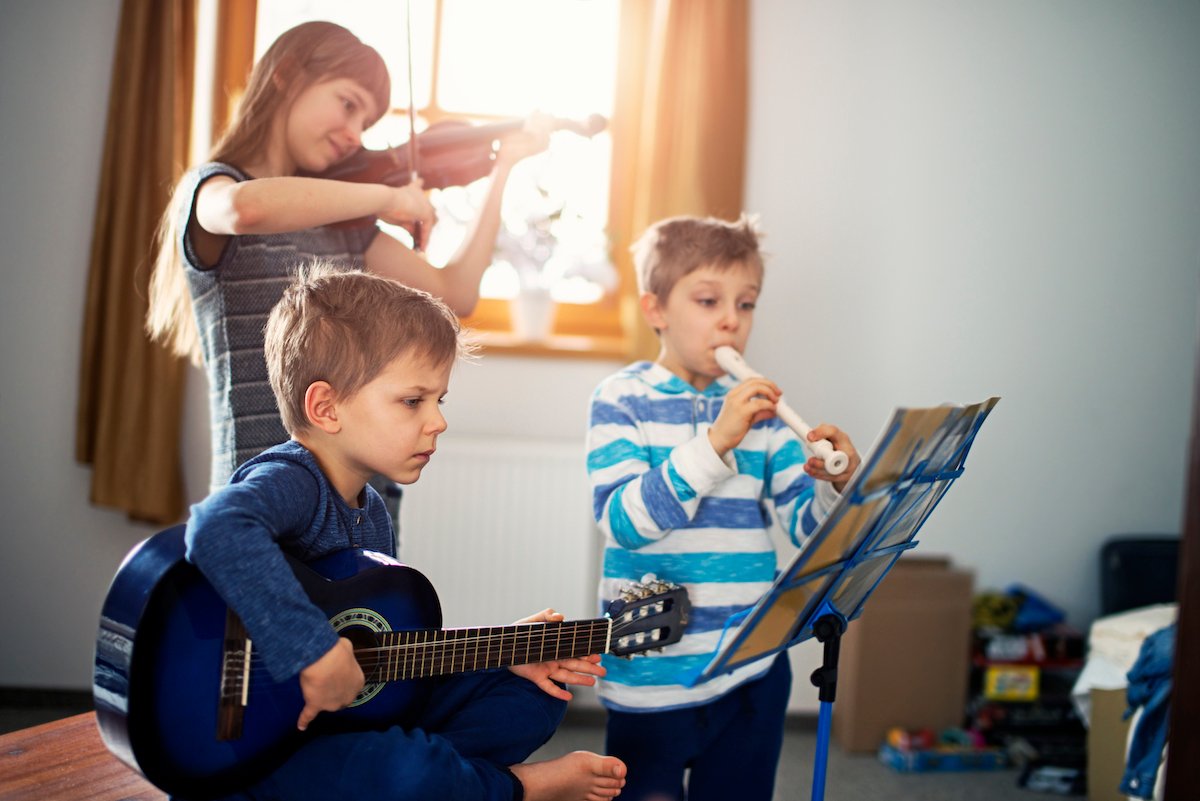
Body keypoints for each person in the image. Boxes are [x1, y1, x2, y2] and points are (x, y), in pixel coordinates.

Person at [181, 264, 625, 801]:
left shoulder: (370, 509)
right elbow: (216, 527)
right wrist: (312, 651)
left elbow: (382, 656)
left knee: (535, 690)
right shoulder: (292, 478)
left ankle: (446, 783)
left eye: (440, 401)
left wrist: (500, 649)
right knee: (404, 770)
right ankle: (513, 789)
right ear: (326, 408)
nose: (436, 421)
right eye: (414, 401)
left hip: (342, 728)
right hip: (255, 747)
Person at [146, 20, 551, 492]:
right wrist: (387, 199)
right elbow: (244, 207)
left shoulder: (342, 226)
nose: (355, 135)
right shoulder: (215, 188)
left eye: (366, 122)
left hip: (362, 505)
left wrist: (502, 169)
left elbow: (456, 293)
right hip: (264, 503)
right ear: (288, 74)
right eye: (348, 104)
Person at [584, 215, 862, 801]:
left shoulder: (759, 411)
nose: (731, 319)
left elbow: (807, 529)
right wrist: (715, 442)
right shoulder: (620, 399)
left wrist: (832, 487)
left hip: (750, 671)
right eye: (708, 300)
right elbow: (625, 523)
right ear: (655, 309)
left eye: (747, 303)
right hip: (652, 677)